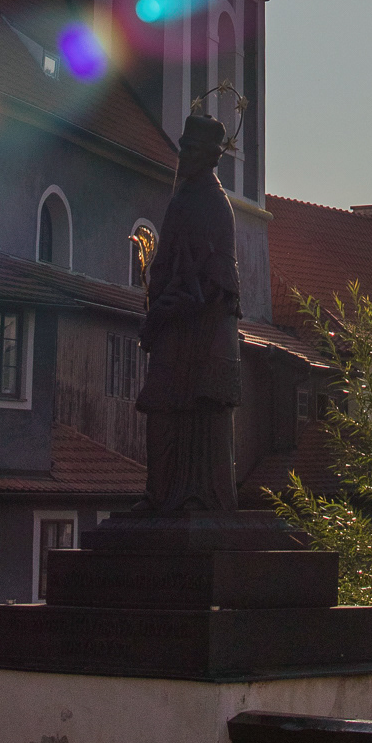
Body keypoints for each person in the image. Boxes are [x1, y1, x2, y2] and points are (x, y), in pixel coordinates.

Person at [130, 112, 242, 513]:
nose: (185, 156)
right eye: (184, 148)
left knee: (195, 413)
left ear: (211, 156)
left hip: (203, 329)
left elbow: (213, 282)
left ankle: (195, 496)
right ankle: (161, 494)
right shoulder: (185, 196)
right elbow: (170, 266)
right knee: (161, 405)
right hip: (181, 324)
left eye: (193, 149)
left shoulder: (212, 203)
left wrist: (161, 313)